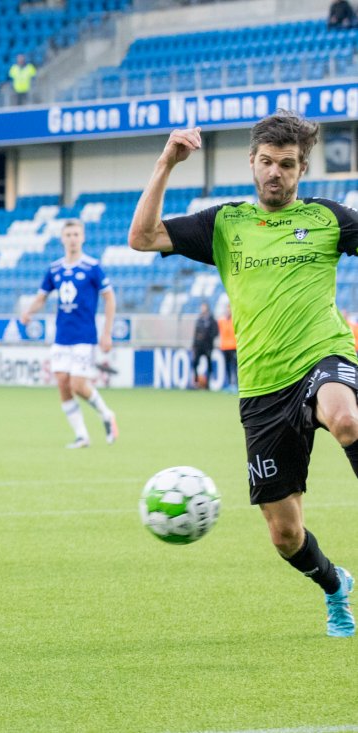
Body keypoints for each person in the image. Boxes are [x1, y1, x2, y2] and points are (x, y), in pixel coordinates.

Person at [128, 111, 357, 637]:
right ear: (251, 162)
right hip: (261, 387)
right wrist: (167, 161)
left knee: (346, 419)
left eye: (288, 165)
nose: (277, 173)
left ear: (303, 170)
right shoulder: (226, 224)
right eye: (268, 162)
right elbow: (142, 238)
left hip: (323, 354)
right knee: (285, 535)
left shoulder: (329, 219)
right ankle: (334, 585)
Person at [20, 219, 118, 448]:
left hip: (84, 336)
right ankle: (82, 435)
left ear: (82, 237)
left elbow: (109, 297)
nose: (72, 239)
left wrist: (107, 332)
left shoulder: (92, 267)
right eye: (68, 235)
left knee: (77, 384)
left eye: (76, 234)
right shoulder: (54, 269)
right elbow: (41, 297)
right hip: (61, 337)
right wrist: (28, 312)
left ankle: (106, 414)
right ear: (62, 238)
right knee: (62, 383)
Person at [191, 301, 219, 389]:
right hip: (199, 346)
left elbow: (216, 332)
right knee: (195, 363)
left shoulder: (211, 320)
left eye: (204, 307)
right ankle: (196, 382)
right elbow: (195, 333)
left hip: (208, 346)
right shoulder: (199, 320)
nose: (202, 309)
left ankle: (209, 383)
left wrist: (207, 337)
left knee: (209, 364)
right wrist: (194, 345)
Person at [217, 301, 238, 393]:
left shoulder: (235, 320)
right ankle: (229, 384)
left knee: (235, 367)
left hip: (234, 346)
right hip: (225, 347)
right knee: (227, 367)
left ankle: (236, 385)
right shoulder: (222, 320)